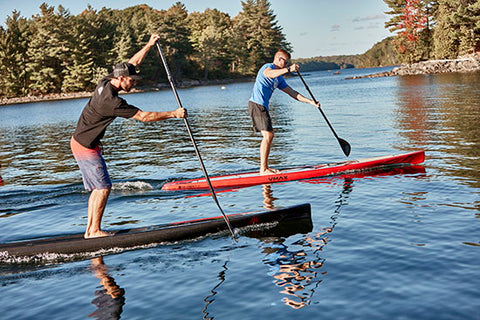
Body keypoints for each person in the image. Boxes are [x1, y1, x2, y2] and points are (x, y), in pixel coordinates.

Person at [71, 34, 187, 239]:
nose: (133, 83)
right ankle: (94, 231)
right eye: (132, 81)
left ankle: (90, 230)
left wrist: (149, 45)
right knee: (104, 187)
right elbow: (144, 117)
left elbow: (132, 63)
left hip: (82, 142)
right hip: (86, 146)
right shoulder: (112, 102)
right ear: (122, 79)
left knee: (98, 188)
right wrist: (174, 114)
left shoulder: (106, 81)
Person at [248, 49, 320, 175]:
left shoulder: (279, 79)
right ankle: (263, 169)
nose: (286, 65)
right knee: (268, 135)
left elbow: (292, 93)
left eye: (288, 64)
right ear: (279, 59)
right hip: (256, 105)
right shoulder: (267, 67)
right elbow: (269, 74)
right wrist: (289, 69)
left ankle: (265, 168)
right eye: (286, 62)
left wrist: (311, 102)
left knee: (269, 135)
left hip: (263, 106)